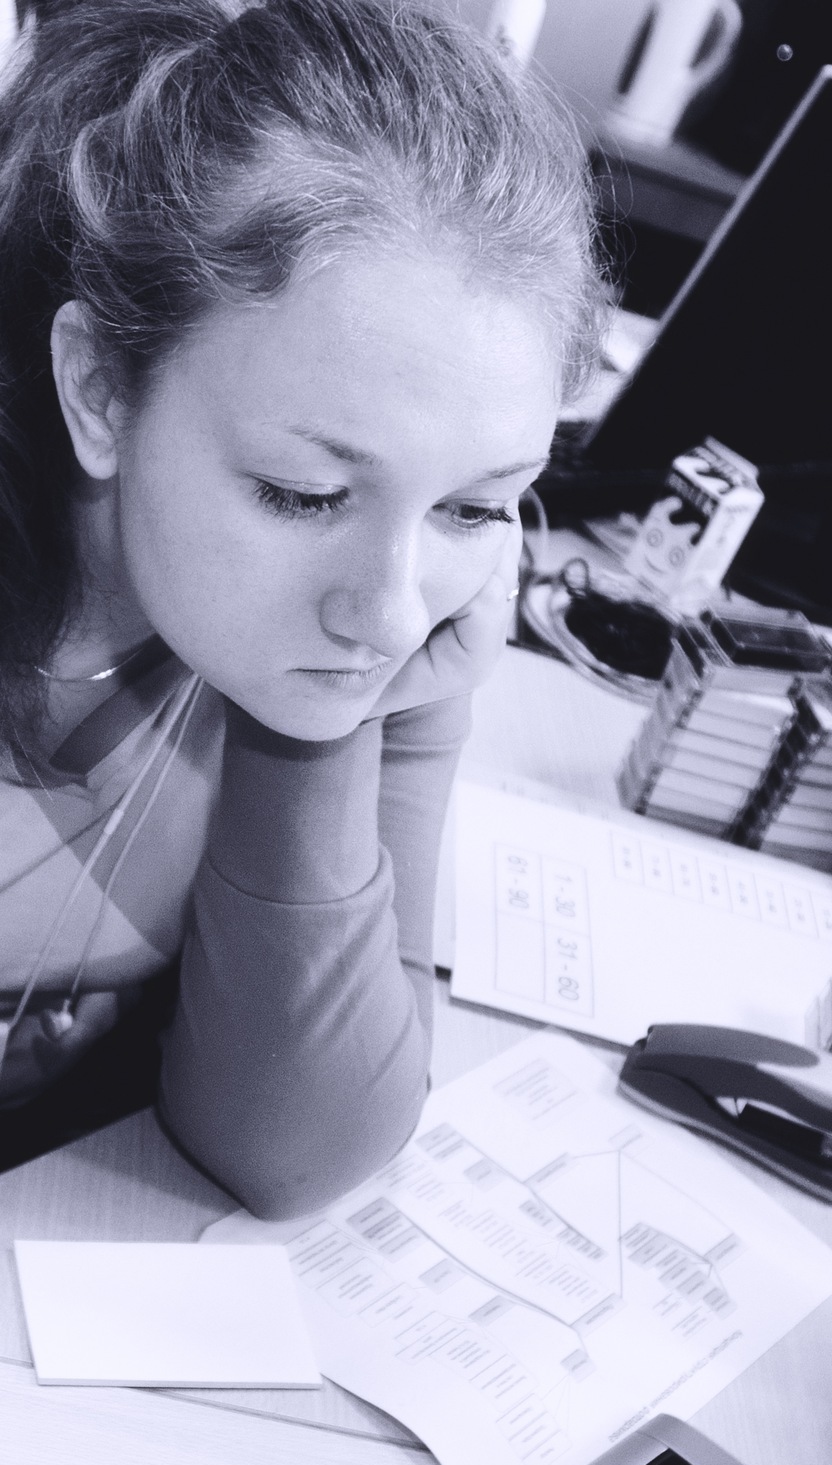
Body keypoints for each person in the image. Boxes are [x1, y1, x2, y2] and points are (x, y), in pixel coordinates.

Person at [0, 0, 606, 1215]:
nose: (389, 614)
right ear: (101, 390)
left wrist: (323, 736)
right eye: (302, 493)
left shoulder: (403, 635)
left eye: (475, 506)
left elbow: (296, 1149)